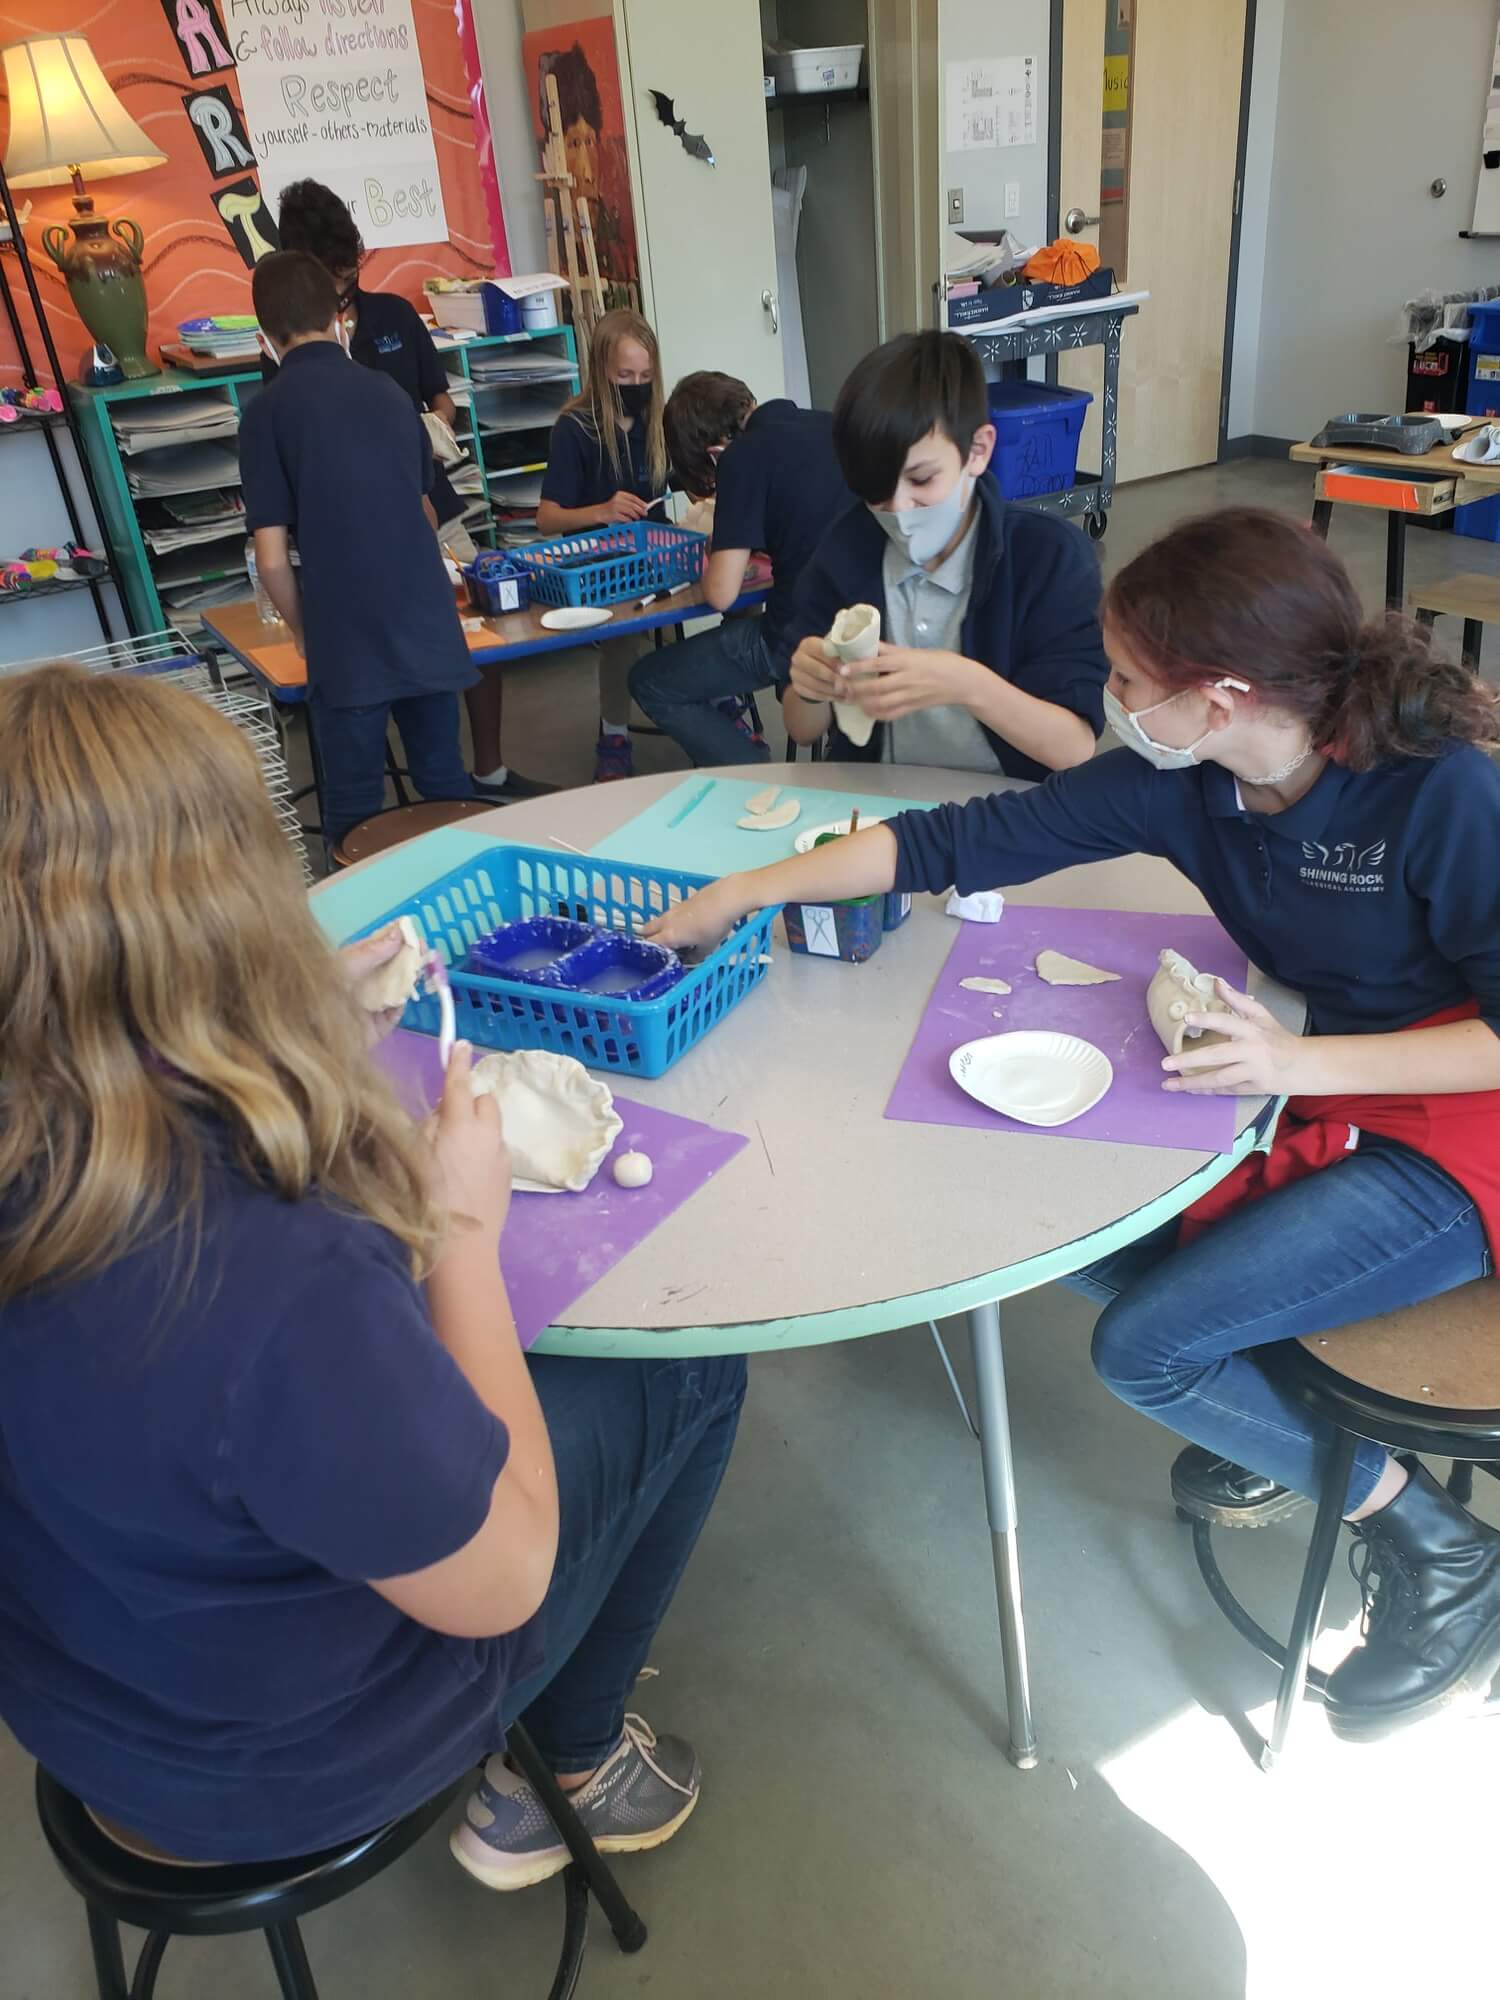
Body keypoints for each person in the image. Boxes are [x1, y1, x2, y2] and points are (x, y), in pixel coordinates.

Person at [648, 507, 1500, 1743]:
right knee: (1057, 1233)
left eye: (1126, 682)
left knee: (1146, 1350)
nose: (1108, 704)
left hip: (1457, 1121)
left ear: (1220, 694)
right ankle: (1279, 1410)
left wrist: (1296, 1053)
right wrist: (739, 890)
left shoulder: (1440, 791)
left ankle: (1433, 1539)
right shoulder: (1194, 784)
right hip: (1315, 1079)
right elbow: (955, 839)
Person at [0, 662, 745, 1881]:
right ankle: (572, 1762)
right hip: (274, 1765)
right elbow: (505, 1579)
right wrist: (458, 1234)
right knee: (698, 1361)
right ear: (236, 906)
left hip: (87, 1703)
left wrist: (263, 1031)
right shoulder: (265, 1261)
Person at [781, 330, 1108, 779]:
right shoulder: (845, 550)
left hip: (1008, 813)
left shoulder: (1047, 557)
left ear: (978, 451)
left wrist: (964, 684)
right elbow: (801, 729)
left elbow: (1073, 747)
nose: (897, 508)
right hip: (880, 803)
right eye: (876, 490)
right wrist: (810, 688)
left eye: (921, 480)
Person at [240, 252, 477, 855]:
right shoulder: (391, 394)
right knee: (444, 785)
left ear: (265, 336)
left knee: (351, 806)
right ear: (339, 317)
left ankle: (368, 935)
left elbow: (271, 560)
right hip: (425, 620)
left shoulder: (266, 412)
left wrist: (303, 632)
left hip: (347, 640)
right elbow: (425, 509)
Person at [628, 371, 855, 766]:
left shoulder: (741, 457)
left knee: (649, 681)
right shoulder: (834, 425)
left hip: (799, 637)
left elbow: (721, 593)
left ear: (712, 453)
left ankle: (750, 772)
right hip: (868, 626)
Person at [274, 179, 473, 562]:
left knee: (472, 599)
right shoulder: (287, 348)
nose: (344, 299)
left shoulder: (395, 315)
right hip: (352, 532)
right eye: (333, 289)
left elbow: (441, 399)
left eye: (350, 280)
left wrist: (430, 432)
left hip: (432, 506)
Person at [535, 309, 668, 783]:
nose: (638, 384)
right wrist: (602, 512)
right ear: (601, 373)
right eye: (626, 375)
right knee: (621, 634)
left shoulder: (657, 420)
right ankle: (614, 733)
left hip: (657, 557)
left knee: (719, 592)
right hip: (600, 565)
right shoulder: (575, 428)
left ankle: (714, 700)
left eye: (647, 376)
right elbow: (547, 518)